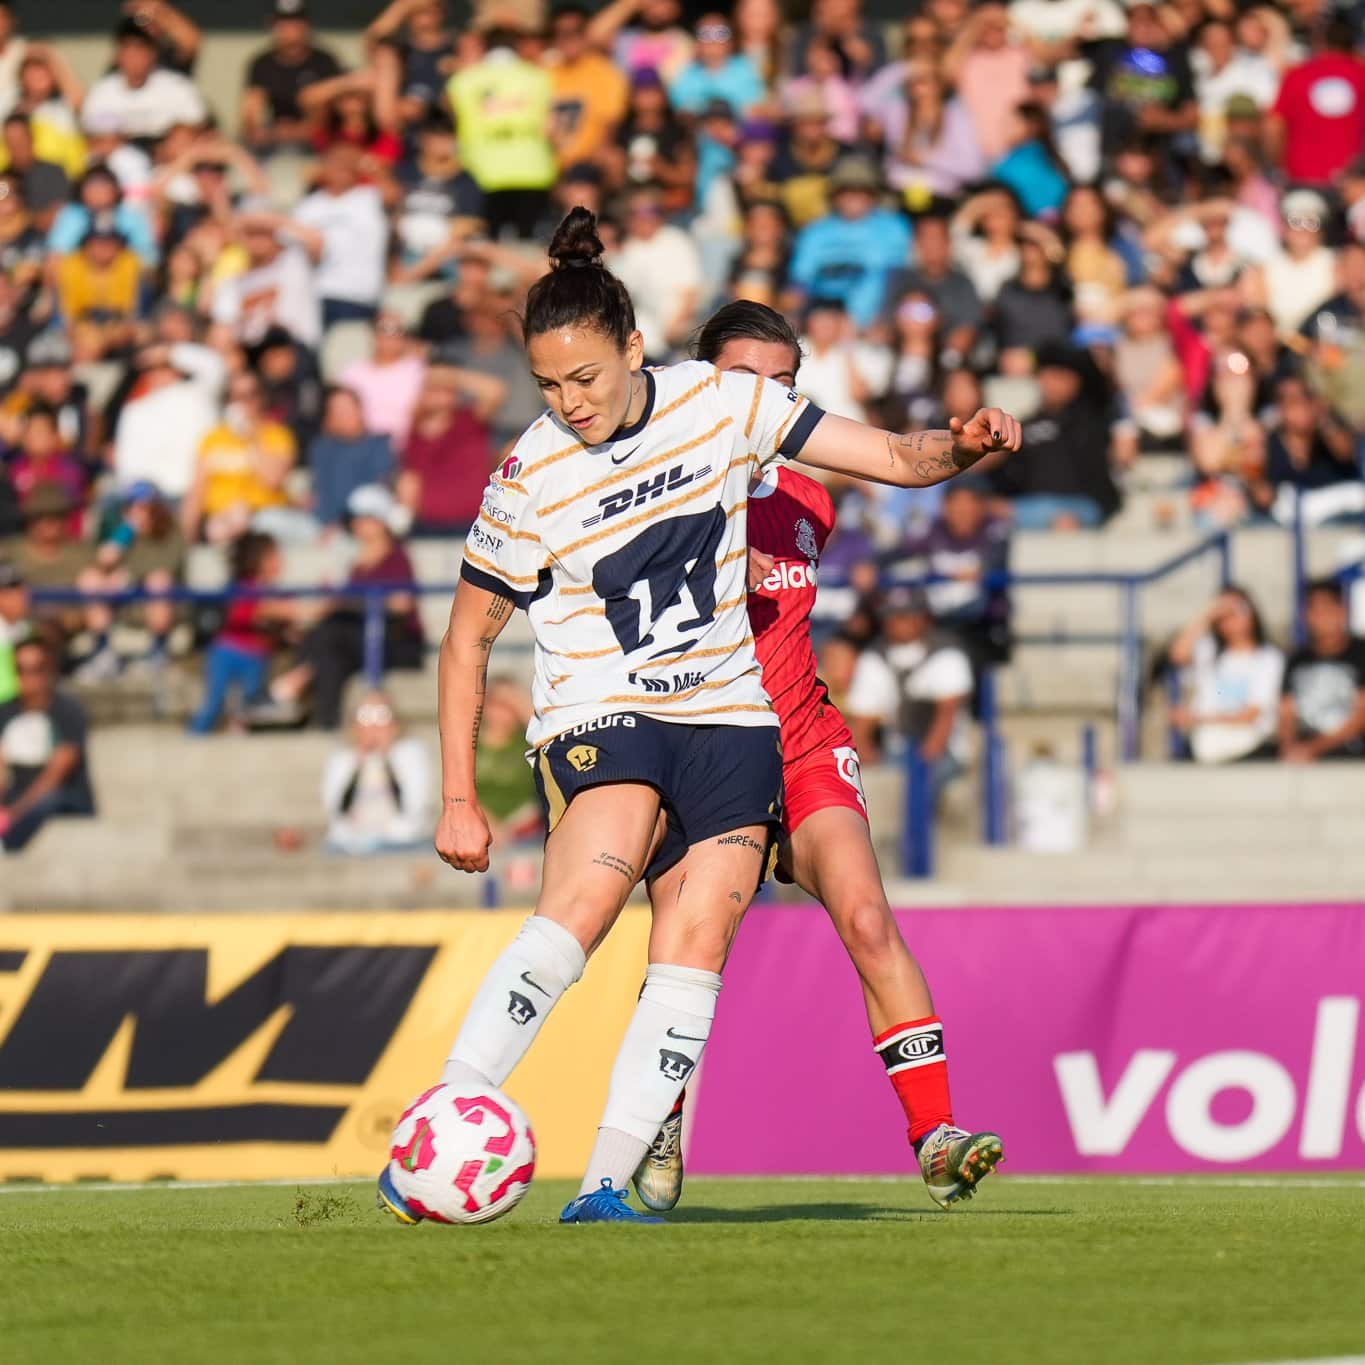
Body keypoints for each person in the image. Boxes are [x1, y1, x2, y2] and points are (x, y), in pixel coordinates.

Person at [375, 208, 1019, 1227]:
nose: (568, 402)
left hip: (736, 723)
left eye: (584, 379)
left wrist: (966, 447)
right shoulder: (529, 473)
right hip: (605, 710)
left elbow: (897, 456)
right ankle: (448, 1110)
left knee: (700, 944)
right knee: (587, 903)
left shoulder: (725, 409)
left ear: (634, 350)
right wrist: (459, 796)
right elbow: (465, 639)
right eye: (548, 385)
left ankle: (609, 1189)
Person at [628, 300, 1003, 1217]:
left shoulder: (808, 495)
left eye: (782, 384)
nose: (765, 399)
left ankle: (936, 1135)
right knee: (689, 954)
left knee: (868, 915)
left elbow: (906, 459)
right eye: (744, 379)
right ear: (699, 381)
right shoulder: (651, 484)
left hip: (799, 733)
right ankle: (658, 1120)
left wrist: (967, 445)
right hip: (695, 740)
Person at [188, 529, 296, 734]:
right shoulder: (244, 587)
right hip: (227, 651)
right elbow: (251, 612)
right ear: (258, 559)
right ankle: (194, 738)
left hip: (257, 657)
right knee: (213, 702)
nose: (280, 560)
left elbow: (282, 622)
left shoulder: (280, 593)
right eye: (274, 555)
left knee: (250, 706)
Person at [1168, 586, 1284, 764]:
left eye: (1236, 610)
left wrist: (1196, 718)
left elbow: (1252, 714)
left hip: (1251, 745)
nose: (1230, 618)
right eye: (1223, 613)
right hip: (1206, 741)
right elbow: (1178, 654)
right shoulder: (1209, 651)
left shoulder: (1269, 658)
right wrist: (1207, 615)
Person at [0, 633, 95, 852]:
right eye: (20, 669)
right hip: (18, 799)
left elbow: (56, 774)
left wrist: (13, 814)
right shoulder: (5, 712)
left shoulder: (67, 711)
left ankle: (7, 845)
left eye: (36, 669)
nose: (28, 678)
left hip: (66, 800)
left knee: (49, 799)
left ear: (49, 671)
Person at [322, 689, 431, 854]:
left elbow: (413, 807)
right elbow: (336, 809)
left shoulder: (411, 754)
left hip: (401, 841)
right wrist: (357, 765)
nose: (374, 724)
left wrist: (387, 759)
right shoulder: (343, 758)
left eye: (381, 715)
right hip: (351, 843)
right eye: (366, 715)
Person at [1279, 578, 1365, 763]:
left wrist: (1315, 748)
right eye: (1313, 610)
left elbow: (1361, 715)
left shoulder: (1361, 653)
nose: (1320, 617)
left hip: (1350, 753)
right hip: (1303, 753)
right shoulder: (1295, 659)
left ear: (1342, 611)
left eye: (1326, 609)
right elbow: (1286, 712)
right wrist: (1289, 747)